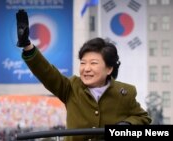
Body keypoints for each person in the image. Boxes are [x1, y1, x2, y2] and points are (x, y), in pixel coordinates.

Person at [15, 9, 151, 141]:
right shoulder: (71, 87)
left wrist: (127, 125)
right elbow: (46, 72)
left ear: (109, 69)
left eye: (93, 63)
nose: (86, 69)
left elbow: (143, 118)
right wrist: (27, 46)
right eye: (83, 63)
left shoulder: (124, 93)